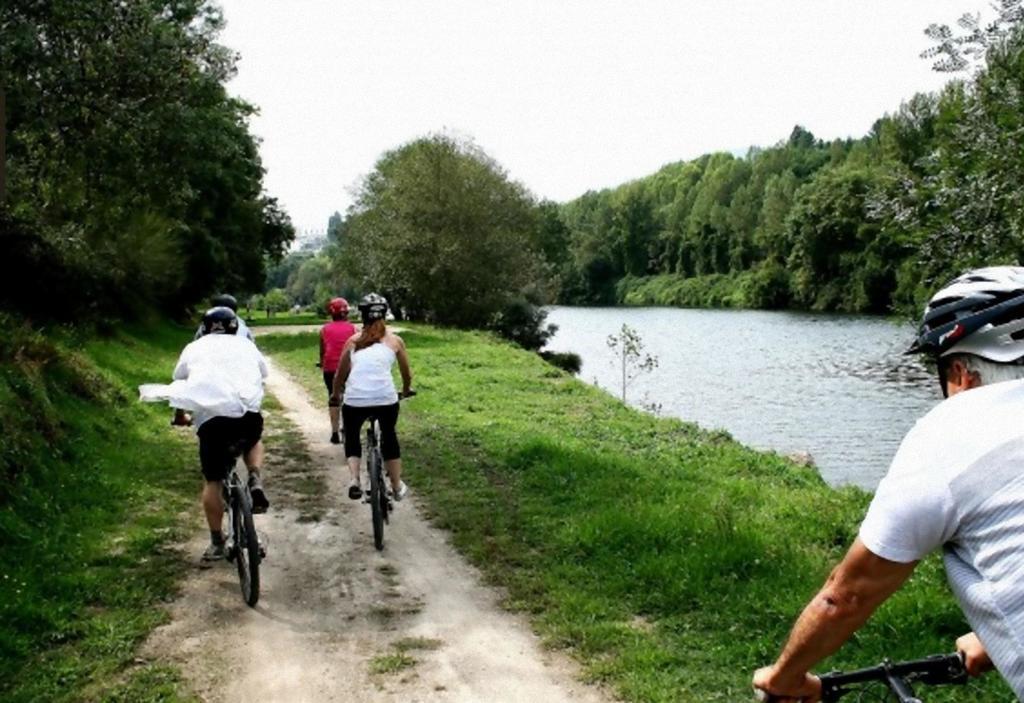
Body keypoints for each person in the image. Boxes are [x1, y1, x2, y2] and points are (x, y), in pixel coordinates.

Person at [753, 266, 1024, 701]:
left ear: (960, 372)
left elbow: (847, 596)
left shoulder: (951, 433)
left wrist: (784, 677)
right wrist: (997, 636)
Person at [166, 307, 270, 561]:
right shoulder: (246, 345)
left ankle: (216, 543)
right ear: (235, 326)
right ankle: (254, 477)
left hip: (212, 420)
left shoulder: (194, 348)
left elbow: (181, 383)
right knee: (253, 440)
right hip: (246, 414)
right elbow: (263, 375)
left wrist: (181, 416)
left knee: (213, 480)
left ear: (205, 327)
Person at [330, 293, 413, 502]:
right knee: (389, 435)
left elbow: (340, 375)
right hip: (386, 399)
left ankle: (355, 480)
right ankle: (395, 485)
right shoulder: (395, 341)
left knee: (351, 435)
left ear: (362, 315)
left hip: (355, 401)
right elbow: (406, 374)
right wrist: (405, 390)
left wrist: (335, 394)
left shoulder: (352, 341)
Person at [320, 297, 357, 444]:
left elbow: (322, 351)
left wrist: (321, 362)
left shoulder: (324, 330)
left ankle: (335, 432)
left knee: (333, 396)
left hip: (330, 368)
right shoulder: (354, 329)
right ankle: (349, 427)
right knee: (350, 396)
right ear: (346, 312)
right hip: (349, 367)